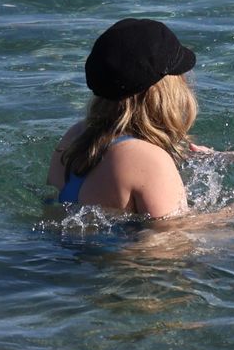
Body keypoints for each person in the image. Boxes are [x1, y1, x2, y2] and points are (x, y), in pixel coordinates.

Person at [47, 18, 203, 219]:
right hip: (123, 251)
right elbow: (174, 242)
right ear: (162, 91)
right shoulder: (151, 162)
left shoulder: (75, 136)